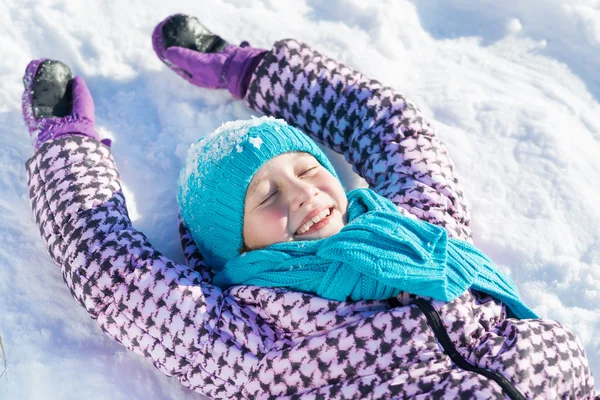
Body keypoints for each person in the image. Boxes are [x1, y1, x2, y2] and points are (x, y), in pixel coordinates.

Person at [22, 13, 596, 400]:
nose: (301, 194)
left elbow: (389, 123)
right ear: (237, 246)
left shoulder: (421, 231)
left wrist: (251, 70)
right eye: (266, 196)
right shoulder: (252, 334)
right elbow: (110, 270)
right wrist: (65, 144)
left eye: (306, 170)